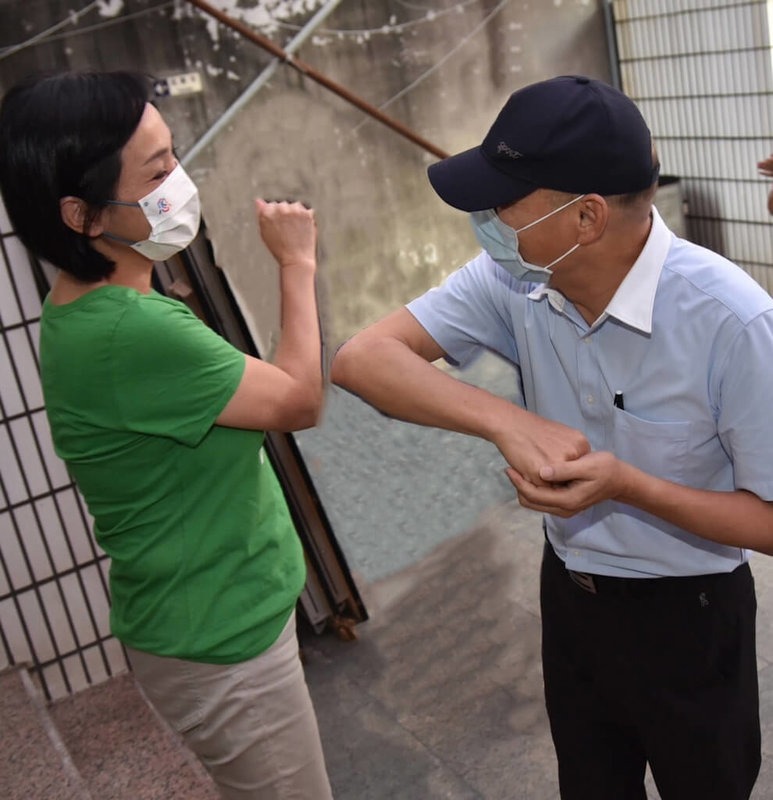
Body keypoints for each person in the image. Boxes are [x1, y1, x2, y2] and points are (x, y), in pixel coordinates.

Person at [331, 75, 773, 800]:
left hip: (690, 616)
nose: (486, 217)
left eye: (505, 201)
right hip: (571, 597)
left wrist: (630, 486)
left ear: (585, 217)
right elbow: (361, 360)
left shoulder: (731, 323)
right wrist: (509, 420)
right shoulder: (517, 280)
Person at [0, 71, 332, 800]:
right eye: (156, 172)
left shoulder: (91, 305)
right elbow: (300, 398)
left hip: (208, 621)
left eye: (174, 156)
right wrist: (297, 263)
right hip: (223, 643)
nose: (178, 183)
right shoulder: (131, 331)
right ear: (83, 216)